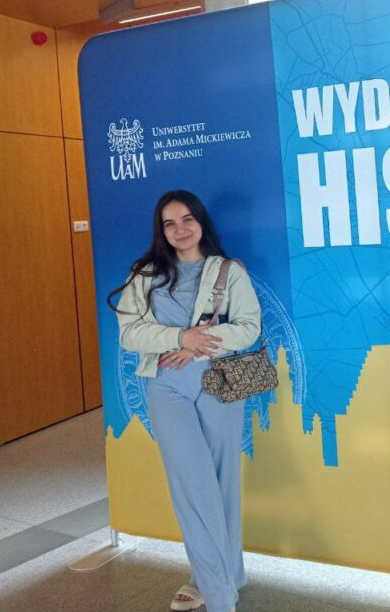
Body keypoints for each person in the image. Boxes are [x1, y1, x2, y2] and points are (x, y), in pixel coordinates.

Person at [108, 189, 261, 612]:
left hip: (219, 381)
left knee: (221, 483)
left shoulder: (229, 271)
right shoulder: (145, 274)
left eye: (187, 219)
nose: (180, 229)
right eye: (169, 224)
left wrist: (195, 346)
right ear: (161, 231)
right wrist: (180, 337)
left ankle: (218, 576)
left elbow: (248, 328)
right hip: (166, 385)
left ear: (201, 222)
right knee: (192, 487)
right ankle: (221, 597)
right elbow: (129, 333)